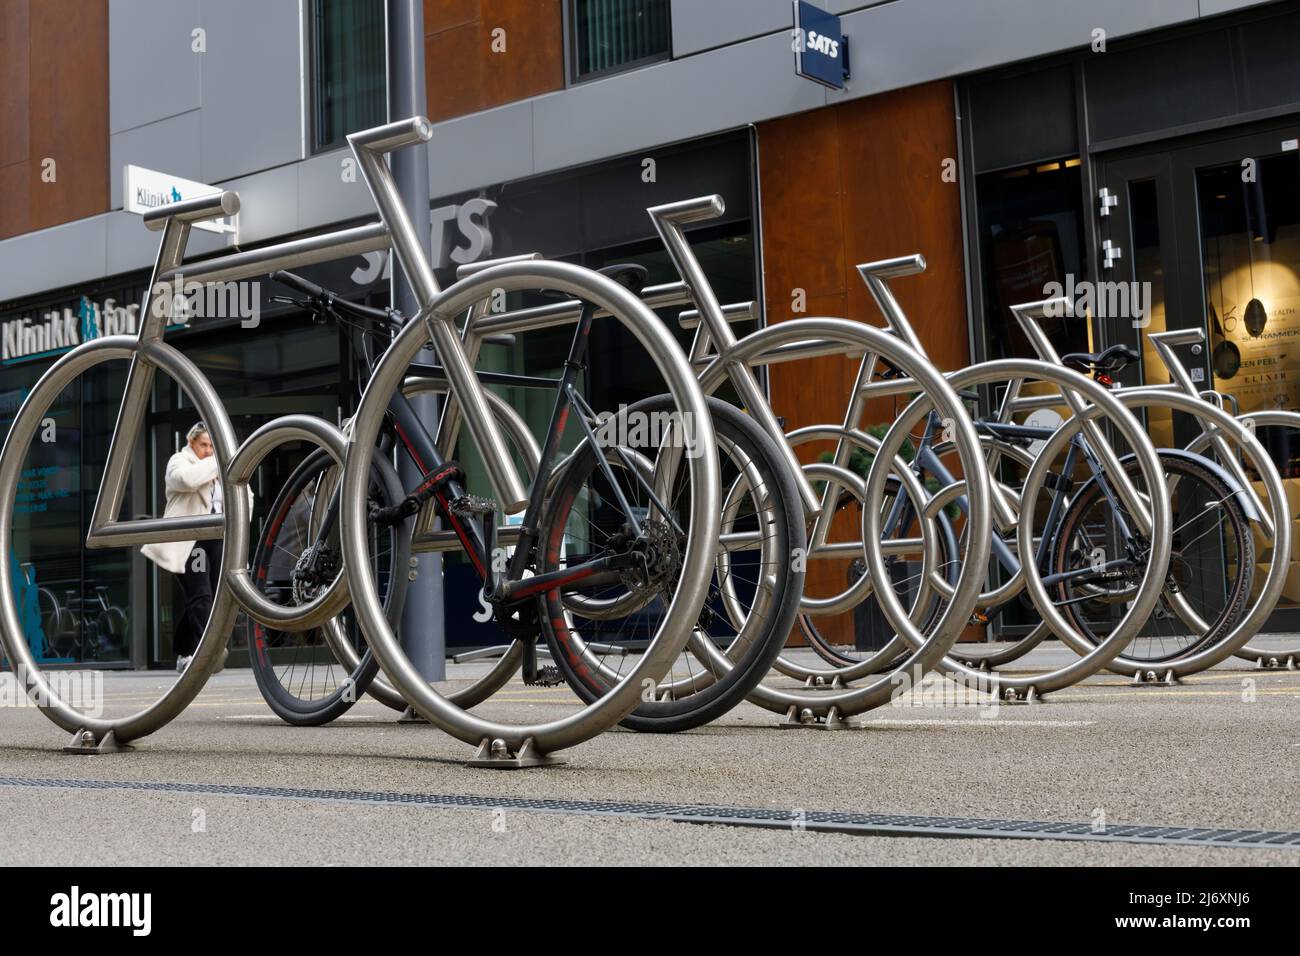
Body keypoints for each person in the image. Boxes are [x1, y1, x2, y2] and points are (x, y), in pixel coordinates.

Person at [140, 422, 244, 672]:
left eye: (212, 446)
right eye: (204, 445)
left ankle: (185, 651)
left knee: (218, 593)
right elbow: (186, 480)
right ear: (191, 443)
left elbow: (245, 495)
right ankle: (210, 651)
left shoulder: (219, 467)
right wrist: (218, 463)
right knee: (201, 594)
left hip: (219, 537)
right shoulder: (179, 461)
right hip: (191, 539)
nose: (208, 450)